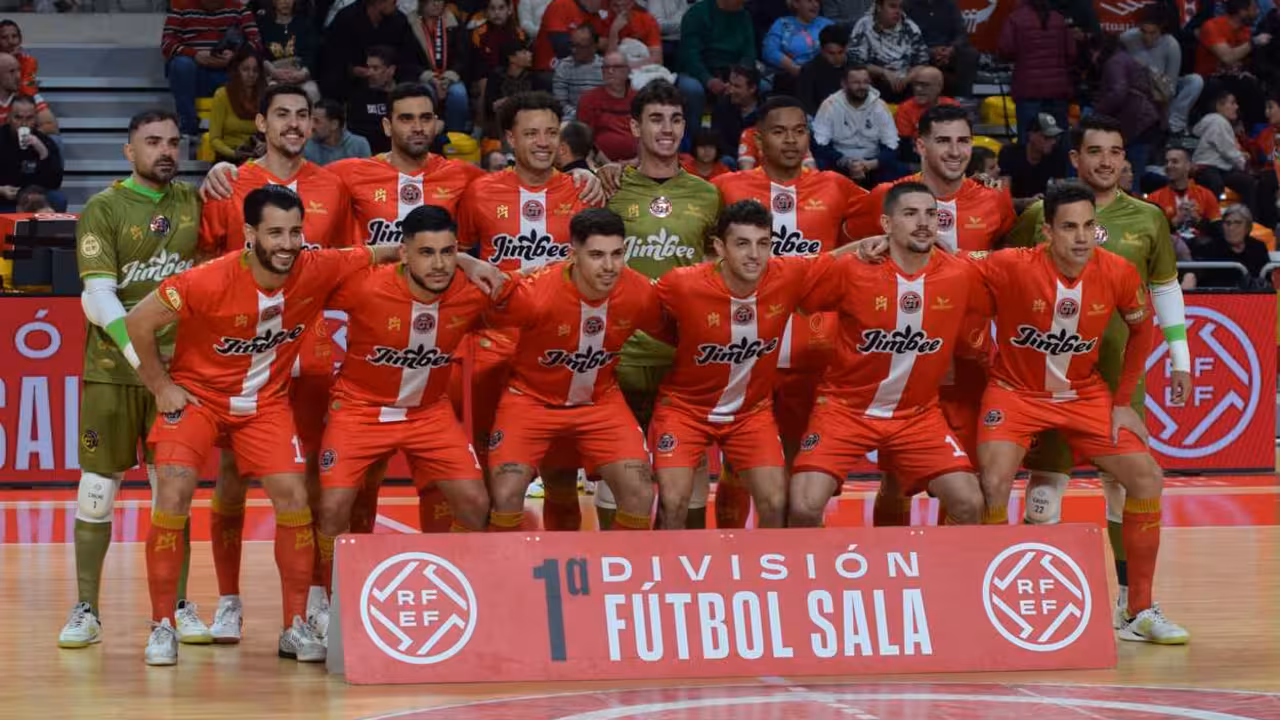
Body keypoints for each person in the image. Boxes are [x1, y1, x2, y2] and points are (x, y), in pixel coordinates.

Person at [125, 187, 373, 666]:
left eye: (296, 231)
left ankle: (294, 626)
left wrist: (469, 264)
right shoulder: (204, 280)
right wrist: (161, 387)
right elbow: (136, 323)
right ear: (249, 234)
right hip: (198, 401)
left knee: (295, 497)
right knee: (173, 494)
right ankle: (161, 625)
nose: (287, 242)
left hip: (265, 406)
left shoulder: (315, 267)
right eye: (275, 232)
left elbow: (379, 252)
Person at [974, 181, 1190, 645]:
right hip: (1014, 392)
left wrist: (1121, 401)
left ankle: (1138, 611)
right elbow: (947, 268)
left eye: (1089, 225)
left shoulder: (1116, 272)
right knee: (991, 482)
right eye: (1069, 227)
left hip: (1084, 395)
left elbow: (1141, 331)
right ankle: (984, 604)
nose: (1081, 237)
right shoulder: (1010, 264)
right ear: (1046, 231)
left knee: (1147, 478)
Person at [197, 84, 351, 646]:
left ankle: (312, 601)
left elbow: (345, 265)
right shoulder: (228, 182)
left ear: (314, 123)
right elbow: (206, 259)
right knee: (233, 477)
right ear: (259, 121)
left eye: (302, 115)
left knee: (306, 477)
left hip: (310, 348)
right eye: (281, 114)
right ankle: (230, 601)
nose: (292, 124)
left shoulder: (333, 184)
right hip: (244, 350)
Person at [58, 109, 208, 650]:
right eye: (152, 142)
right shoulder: (103, 208)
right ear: (129, 151)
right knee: (97, 492)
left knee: (174, 492)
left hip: (181, 375)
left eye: (173, 142)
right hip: (112, 375)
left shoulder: (195, 203)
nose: (165, 151)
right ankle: (86, 608)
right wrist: (149, 371)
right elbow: (98, 298)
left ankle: (177, 606)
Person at [315, 204, 500, 595]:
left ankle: (453, 586)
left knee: (474, 502)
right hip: (358, 409)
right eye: (427, 253)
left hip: (428, 414)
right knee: (333, 508)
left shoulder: (473, 291)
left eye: (449, 252)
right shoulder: (365, 286)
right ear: (404, 253)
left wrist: (471, 263)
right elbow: (309, 273)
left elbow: (534, 289)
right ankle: (326, 601)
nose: (439, 265)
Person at [845, 103, 1014, 524]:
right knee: (897, 481)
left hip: (972, 363)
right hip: (906, 363)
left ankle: (949, 583)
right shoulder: (886, 197)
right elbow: (853, 252)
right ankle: (895, 574)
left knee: (967, 486)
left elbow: (1012, 269)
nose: (955, 151)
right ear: (920, 144)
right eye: (943, 141)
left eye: (962, 141)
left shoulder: (995, 203)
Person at [788, 181, 987, 527]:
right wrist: (854, 247)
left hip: (918, 416)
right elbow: (800, 291)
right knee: (804, 506)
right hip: (844, 410)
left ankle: (939, 578)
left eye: (930, 214)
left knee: (969, 503)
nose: (923, 222)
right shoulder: (852, 269)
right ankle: (817, 578)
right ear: (886, 224)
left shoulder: (961, 272)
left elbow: (1019, 273)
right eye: (910, 214)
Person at [650, 199, 847, 528]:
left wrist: (874, 244)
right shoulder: (682, 283)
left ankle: (771, 575)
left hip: (750, 414)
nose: (754, 254)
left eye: (763, 243)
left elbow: (835, 260)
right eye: (742, 244)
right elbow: (631, 302)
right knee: (673, 503)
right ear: (719, 247)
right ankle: (667, 576)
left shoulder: (788, 274)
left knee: (777, 502)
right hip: (684, 410)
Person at [453, 91, 591, 530]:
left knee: (562, 478)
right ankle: (497, 579)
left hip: (559, 351)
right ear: (510, 138)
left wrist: (602, 172)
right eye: (531, 133)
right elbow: (451, 254)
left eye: (551, 132)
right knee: (497, 475)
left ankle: (562, 579)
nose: (543, 142)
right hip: (493, 349)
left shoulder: (584, 190)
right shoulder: (478, 193)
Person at [484, 208, 666, 533]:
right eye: (596, 255)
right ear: (573, 254)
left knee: (639, 492)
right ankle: (506, 579)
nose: (609, 266)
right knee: (507, 492)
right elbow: (474, 312)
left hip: (599, 402)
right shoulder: (534, 294)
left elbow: (681, 332)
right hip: (530, 400)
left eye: (617, 254)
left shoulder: (639, 292)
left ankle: (618, 576)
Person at [713, 96, 867, 467]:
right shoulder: (725, 188)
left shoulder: (836, 186)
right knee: (740, 468)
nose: (791, 140)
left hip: (814, 352)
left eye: (799, 131)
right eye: (779, 132)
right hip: (744, 350)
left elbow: (899, 208)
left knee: (805, 465)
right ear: (758, 139)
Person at [604, 80, 721, 529]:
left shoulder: (708, 194)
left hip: (682, 356)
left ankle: (679, 576)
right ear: (635, 125)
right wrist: (586, 171)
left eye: (675, 119)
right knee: (620, 472)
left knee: (686, 473)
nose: (667, 129)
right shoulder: (607, 188)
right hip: (620, 352)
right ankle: (614, 574)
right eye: (655, 119)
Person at [304, 98, 372, 165]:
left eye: (317, 121)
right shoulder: (307, 147)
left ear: (334, 124)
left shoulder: (359, 145)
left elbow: (367, 173)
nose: (312, 126)